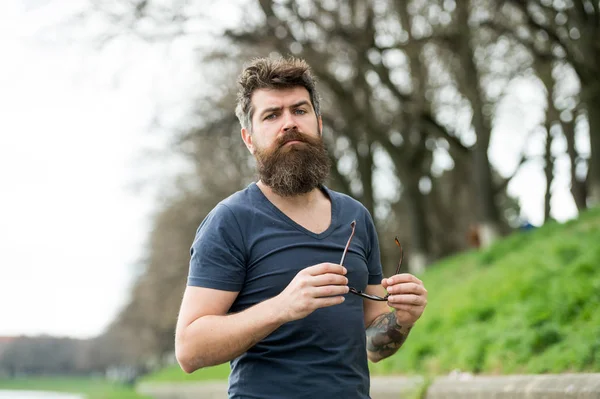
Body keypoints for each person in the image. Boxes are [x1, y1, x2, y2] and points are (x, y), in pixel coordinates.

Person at [174, 56, 428, 398]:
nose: (289, 123)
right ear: (249, 139)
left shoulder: (356, 216)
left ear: (319, 124)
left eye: (300, 110)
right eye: (272, 115)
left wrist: (403, 320)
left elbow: (373, 347)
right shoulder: (230, 221)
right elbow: (189, 350)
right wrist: (282, 307)